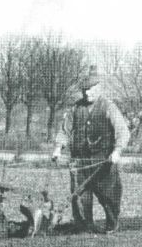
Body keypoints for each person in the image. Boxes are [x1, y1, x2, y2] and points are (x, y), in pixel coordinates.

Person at [52, 66, 130, 233]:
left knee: (108, 196)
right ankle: (84, 227)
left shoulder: (109, 107)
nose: (87, 93)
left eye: (90, 89)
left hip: (103, 161)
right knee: (79, 195)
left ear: (99, 88)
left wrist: (117, 151)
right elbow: (65, 130)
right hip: (79, 161)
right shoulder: (76, 108)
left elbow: (123, 131)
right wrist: (58, 148)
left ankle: (111, 224)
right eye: (84, 90)